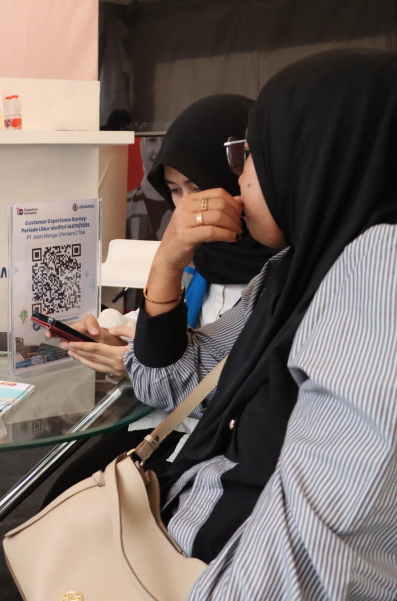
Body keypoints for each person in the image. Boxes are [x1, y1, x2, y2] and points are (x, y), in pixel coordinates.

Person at [137, 49, 397, 597]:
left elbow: (311, 555)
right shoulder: (292, 272)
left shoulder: (378, 275)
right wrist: (166, 264)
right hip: (190, 538)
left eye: (253, 154)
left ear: (316, 154)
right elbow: (171, 381)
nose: (238, 181)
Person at [42, 95, 276, 505]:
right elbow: (168, 337)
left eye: (199, 189)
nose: (187, 209)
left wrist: (137, 361)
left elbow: (188, 371)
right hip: (165, 423)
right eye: (174, 192)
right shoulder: (201, 258)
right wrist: (120, 337)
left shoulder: (277, 272)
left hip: (219, 443)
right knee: (64, 498)